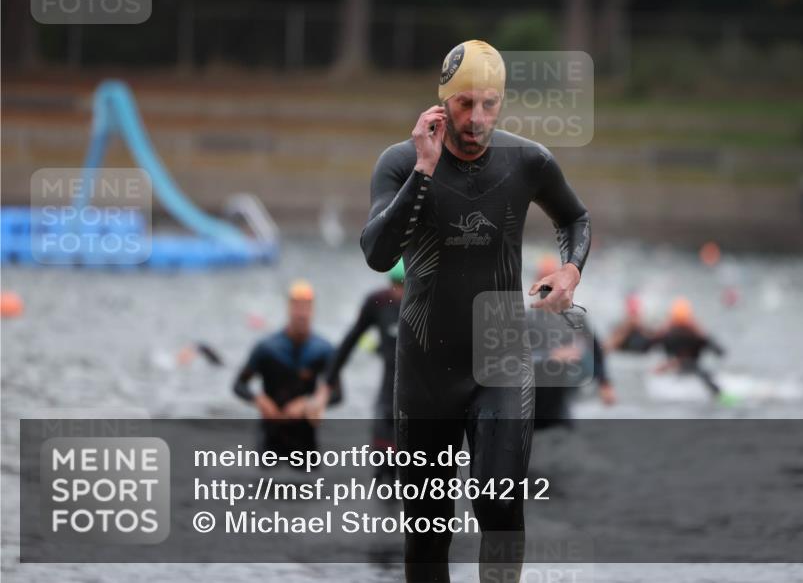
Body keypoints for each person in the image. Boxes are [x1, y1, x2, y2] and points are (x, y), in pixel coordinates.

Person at [360, 40, 591, 582]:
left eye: (489, 104)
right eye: (465, 104)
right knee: (427, 531)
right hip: (425, 371)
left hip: (500, 357)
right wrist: (424, 169)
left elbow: (575, 218)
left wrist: (570, 270)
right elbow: (377, 254)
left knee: (499, 507)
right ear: (443, 101)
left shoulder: (528, 160)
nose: (477, 118)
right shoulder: (400, 162)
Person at [320, 258, 404, 483]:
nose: (399, 292)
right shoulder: (378, 302)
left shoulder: (426, 303)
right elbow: (350, 341)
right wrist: (327, 382)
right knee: (383, 467)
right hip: (388, 393)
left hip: (419, 397)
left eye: (404, 285)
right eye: (395, 285)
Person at [233, 280, 338, 460]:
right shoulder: (267, 348)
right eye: (297, 307)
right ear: (289, 308)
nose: (302, 313)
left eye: (306, 307)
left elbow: (337, 394)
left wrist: (309, 403)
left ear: (313, 310)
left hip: (305, 439)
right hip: (270, 435)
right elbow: (238, 385)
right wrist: (259, 399)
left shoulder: (323, 350)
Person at [530, 255, 614, 429]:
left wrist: (604, 383)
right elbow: (514, 358)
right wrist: (550, 355)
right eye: (544, 281)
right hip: (534, 397)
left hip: (563, 397)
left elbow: (596, 348)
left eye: (551, 281)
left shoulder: (576, 317)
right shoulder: (527, 318)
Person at [652, 297, 726, 399]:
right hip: (676, 368)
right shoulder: (668, 334)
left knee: (703, 374)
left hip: (691, 367)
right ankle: (719, 395)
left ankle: (720, 395)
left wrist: (702, 334)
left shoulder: (695, 334)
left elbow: (719, 351)